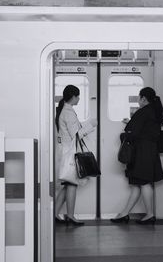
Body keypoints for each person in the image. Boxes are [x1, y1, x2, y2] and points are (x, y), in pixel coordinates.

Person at [111, 87, 163, 225]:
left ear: (143, 98)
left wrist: (124, 134)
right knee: (137, 183)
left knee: (143, 182)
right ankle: (124, 213)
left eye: (139, 98)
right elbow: (145, 129)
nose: (139, 101)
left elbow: (132, 133)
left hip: (141, 152)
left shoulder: (143, 112)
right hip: (149, 151)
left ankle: (150, 214)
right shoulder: (155, 111)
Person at [54, 84, 97, 226]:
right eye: (78, 96)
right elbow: (76, 134)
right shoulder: (69, 112)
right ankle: (70, 216)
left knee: (66, 185)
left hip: (64, 152)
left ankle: (55, 214)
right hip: (70, 154)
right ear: (72, 97)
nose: (79, 98)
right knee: (72, 184)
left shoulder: (64, 111)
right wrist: (91, 126)